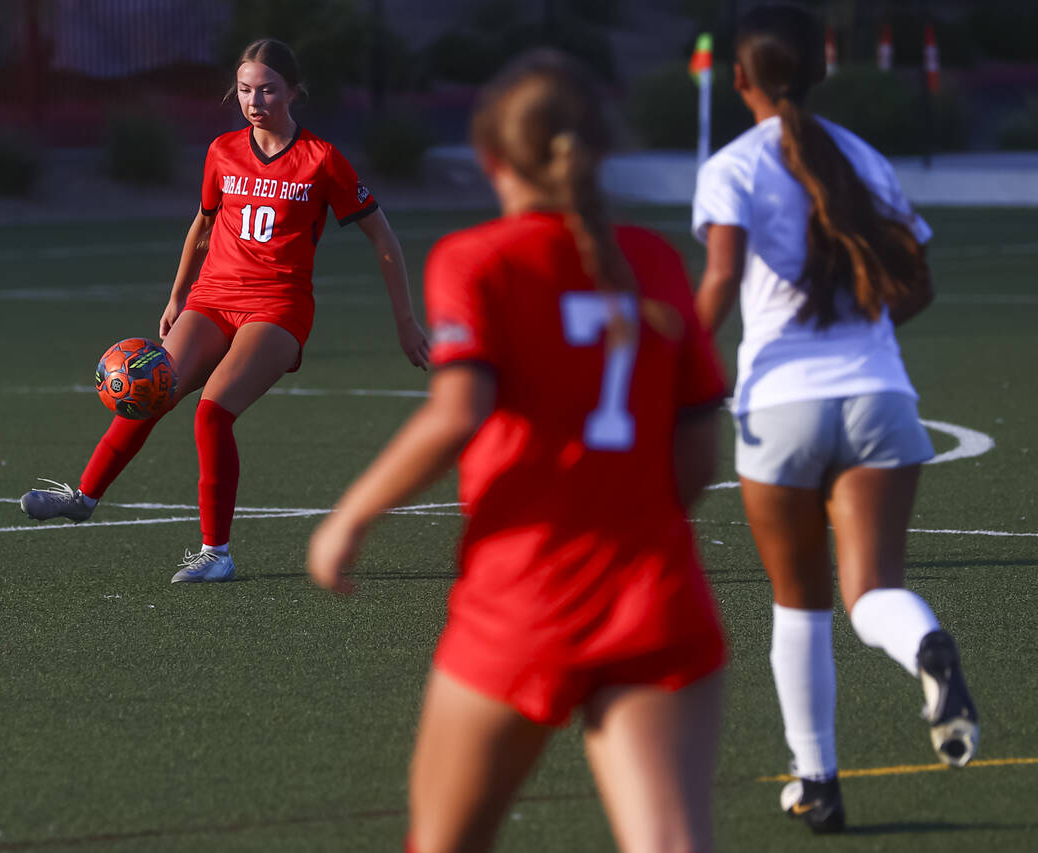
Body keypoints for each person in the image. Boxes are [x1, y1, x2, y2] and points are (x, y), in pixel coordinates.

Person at [308, 51, 728, 853]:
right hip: (655, 591)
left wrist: (349, 517)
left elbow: (458, 411)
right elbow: (698, 448)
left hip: (523, 594)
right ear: (600, 148)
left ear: (487, 154)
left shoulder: (479, 259)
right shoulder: (657, 260)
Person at [691, 4, 978, 834]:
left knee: (799, 603)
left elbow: (715, 286)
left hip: (780, 407)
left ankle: (817, 780)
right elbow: (916, 283)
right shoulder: (865, 157)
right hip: (881, 399)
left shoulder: (733, 166)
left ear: (738, 79)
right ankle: (924, 644)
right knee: (872, 592)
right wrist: (868, 339)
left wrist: (672, 367)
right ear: (820, 70)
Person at [20, 38, 429, 583]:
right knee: (149, 387)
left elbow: (383, 237)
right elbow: (204, 223)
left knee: (212, 413)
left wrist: (405, 322)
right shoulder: (222, 150)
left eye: (267, 89)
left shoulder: (322, 159)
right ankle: (84, 497)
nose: (254, 100)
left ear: (293, 91)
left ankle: (217, 553)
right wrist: (176, 294)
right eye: (244, 89)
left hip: (278, 307)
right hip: (212, 297)